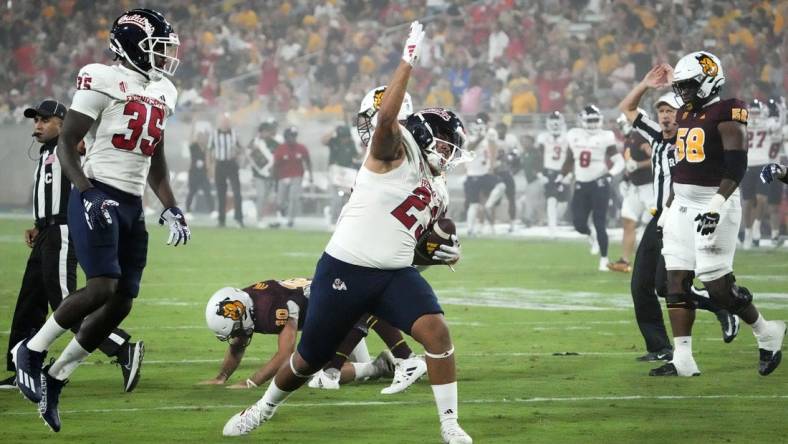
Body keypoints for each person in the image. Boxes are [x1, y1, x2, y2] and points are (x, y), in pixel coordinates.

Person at [222, 22, 473, 443]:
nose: (449, 155)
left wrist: (441, 252)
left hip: (393, 273)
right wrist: (407, 59)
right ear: (427, 138)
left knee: (437, 333)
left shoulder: (440, 189)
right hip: (345, 268)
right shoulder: (395, 149)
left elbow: (412, 246)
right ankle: (263, 408)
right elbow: (388, 118)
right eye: (446, 146)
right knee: (309, 360)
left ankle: (449, 424)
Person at [11, 9, 190, 432]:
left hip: (131, 204)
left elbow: (155, 159)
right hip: (99, 193)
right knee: (102, 286)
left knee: (124, 297)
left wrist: (170, 205)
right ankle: (31, 351)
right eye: (156, 48)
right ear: (130, 46)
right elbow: (69, 145)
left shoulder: (166, 90)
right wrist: (88, 194)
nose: (165, 58)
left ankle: (57, 377)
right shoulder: (101, 77)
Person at [651, 51, 785, 377]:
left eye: (689, 85)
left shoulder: (728, 110)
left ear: (711, 80)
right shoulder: (685, 113)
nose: (683, 92)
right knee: (676, 282)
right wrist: (668, 209)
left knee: (717, 285)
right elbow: (682, 168)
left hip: (716, 200)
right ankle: (682, 358)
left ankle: (766, 331)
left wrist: (716, 206)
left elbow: (737, 164)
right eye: (680, 86)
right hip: (681, 203)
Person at [3, 100, 142, 392]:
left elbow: (90, 149)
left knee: (65, 300)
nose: (37, 126)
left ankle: (121, 347)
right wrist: (38, 224)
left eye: (45, 120)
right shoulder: (46, 152)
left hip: (63, 231)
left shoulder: (72, 146)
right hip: (46, 232)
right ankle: (21, 369)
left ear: (63, 123)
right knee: (29, 302)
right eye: (36, 120)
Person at [618, 67, 739, 363]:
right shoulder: (656, 137)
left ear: (682, 113)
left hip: (681, 217)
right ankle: (659, 347)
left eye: (670, 110)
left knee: (665, 286)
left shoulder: (693, 135)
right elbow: (627, 108)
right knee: (640, 286)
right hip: (657, 218)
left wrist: (680, 84)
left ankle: (720, 306)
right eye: (660, 111)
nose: (664, 116)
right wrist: (645, 84)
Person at [199, 281, 396, 389]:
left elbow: (286, 354)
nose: (237, 335)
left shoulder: (271, 310)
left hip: (338, 311)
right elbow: (237, 345)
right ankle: (392, 364)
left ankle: (379, 367)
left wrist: (252, 382)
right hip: (332, 309)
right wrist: (222, 376)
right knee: (360, 373)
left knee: (311, 373)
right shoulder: (246, 303)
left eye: (235, 328)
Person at [564, 105, 625, 271]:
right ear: (582, 120)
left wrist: (609, 174)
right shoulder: (573, 135)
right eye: (589, 120)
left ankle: (604, 259)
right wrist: (566, 175)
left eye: (595, 120)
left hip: (599, 183)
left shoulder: (606, 136)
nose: (592, 124)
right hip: (580, 183)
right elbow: (570, 159)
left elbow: (619, 161)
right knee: (578, 223)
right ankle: (590, 235)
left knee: (600, 222)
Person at [608, 112, 653, 272]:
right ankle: (624, 261)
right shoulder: (630, 140)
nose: (622, 127)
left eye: (624, 123)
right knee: (628, 221)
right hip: (635, 188)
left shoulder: (641, 137)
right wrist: (626, 179)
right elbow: (630, 165)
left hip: (650, 188)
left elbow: (657, 157)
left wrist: (639, 165)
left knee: (653, 227)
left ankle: (654, 263)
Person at [740, 99, 778, 249]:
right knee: (748, 202)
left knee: (762, 199)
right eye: (753, 112)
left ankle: (756, 226)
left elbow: (777, 125)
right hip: (749, 164)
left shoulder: (769, 123)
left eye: (757, 113)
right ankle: (749, 233)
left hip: (764, 163)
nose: (755, 116)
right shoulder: (743, 124)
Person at [535, 111, 570, 237]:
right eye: (553, 123)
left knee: (563, 202)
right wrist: (539, 173)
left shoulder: (568, 137)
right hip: (549, 171)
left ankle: (554, 221)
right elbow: (538, 156)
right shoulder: (543, 137)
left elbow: (572, 157)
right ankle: (552, 227)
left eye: (557, 123)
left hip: (563, 171)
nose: (555, 126)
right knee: (551, 200)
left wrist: (570, 174)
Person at [271, 126, 312, 228]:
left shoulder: (301, 148)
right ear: (286, 137)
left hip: (296, 176)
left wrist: (310, 175)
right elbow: (275, 165)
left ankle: (290, 220)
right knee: (280, 200)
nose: (293, 138)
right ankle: (280, 217)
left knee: (294, 198)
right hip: (282, 177)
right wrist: (274, 178)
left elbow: (308, 161)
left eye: (294, 136)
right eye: (290, 136)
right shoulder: (281, 148)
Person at [464, 112, 497, 236]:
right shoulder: (470, 138)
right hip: (473, 175)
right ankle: (473, 228)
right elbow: (469, 147)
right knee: (474, 203)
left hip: (485, 173)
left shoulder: (489, 135)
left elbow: (492, 150)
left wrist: (491, 166)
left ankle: (490, 226)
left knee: (489, 200)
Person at [484, 122, 522, 232]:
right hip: (495, 172)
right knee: (494, 200)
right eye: (498, 129)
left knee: (511, 199)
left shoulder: (511, 141)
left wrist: (513, 170)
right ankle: (491, 225)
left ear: (506, 130)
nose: (500, 131)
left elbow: (517, 158)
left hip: (506, 172)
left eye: (502, 129)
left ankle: (512, 223)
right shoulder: (491, 142)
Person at [210, 112, 244, 228]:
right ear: (220, 123)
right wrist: (209, 166)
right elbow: (209, 150)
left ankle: (239, 218)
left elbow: (240, 149)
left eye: (227, 121)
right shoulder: (214, 134)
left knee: (237, 192)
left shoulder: (234, 134)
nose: (225, 123)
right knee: (221, 193)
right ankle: (221, 220)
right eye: (223, 121)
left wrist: (237, 152)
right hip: (220, 164)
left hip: (231, 164)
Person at [322, 124, 360, 228]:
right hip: (334, 172)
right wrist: (333, 129)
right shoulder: (333, 141)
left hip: (347, 174)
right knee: (336, 199)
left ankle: (343, 221)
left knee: (346, 199)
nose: (344, 139)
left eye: (346, 137)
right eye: (342, 137)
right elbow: (323, 141)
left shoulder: (351, 144)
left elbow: (357, 155)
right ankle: (333, 220)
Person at [248, 119, 278, 227]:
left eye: (268, 131)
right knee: (261, 195)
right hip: (258, 175)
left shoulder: (275, 144)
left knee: (266, 197)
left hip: (270, 175)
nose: (266, 133)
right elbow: (249, 156)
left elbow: (276, 159)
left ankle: (263, 216)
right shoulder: (254, 143)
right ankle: (259, 219)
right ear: (260, 132)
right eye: (264, 131)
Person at [185, 127, 214, 215]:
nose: (201, 138)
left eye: (203, 137)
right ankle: (188, 210)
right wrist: (193, 126)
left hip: (203, 173)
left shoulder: (206, 148)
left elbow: (208, 161)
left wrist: (210, 172)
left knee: (208, 191)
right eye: (199, 137)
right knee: (192, 192)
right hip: (194, 173)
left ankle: (212, 210)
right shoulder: (193, 147)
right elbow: (190, 139)